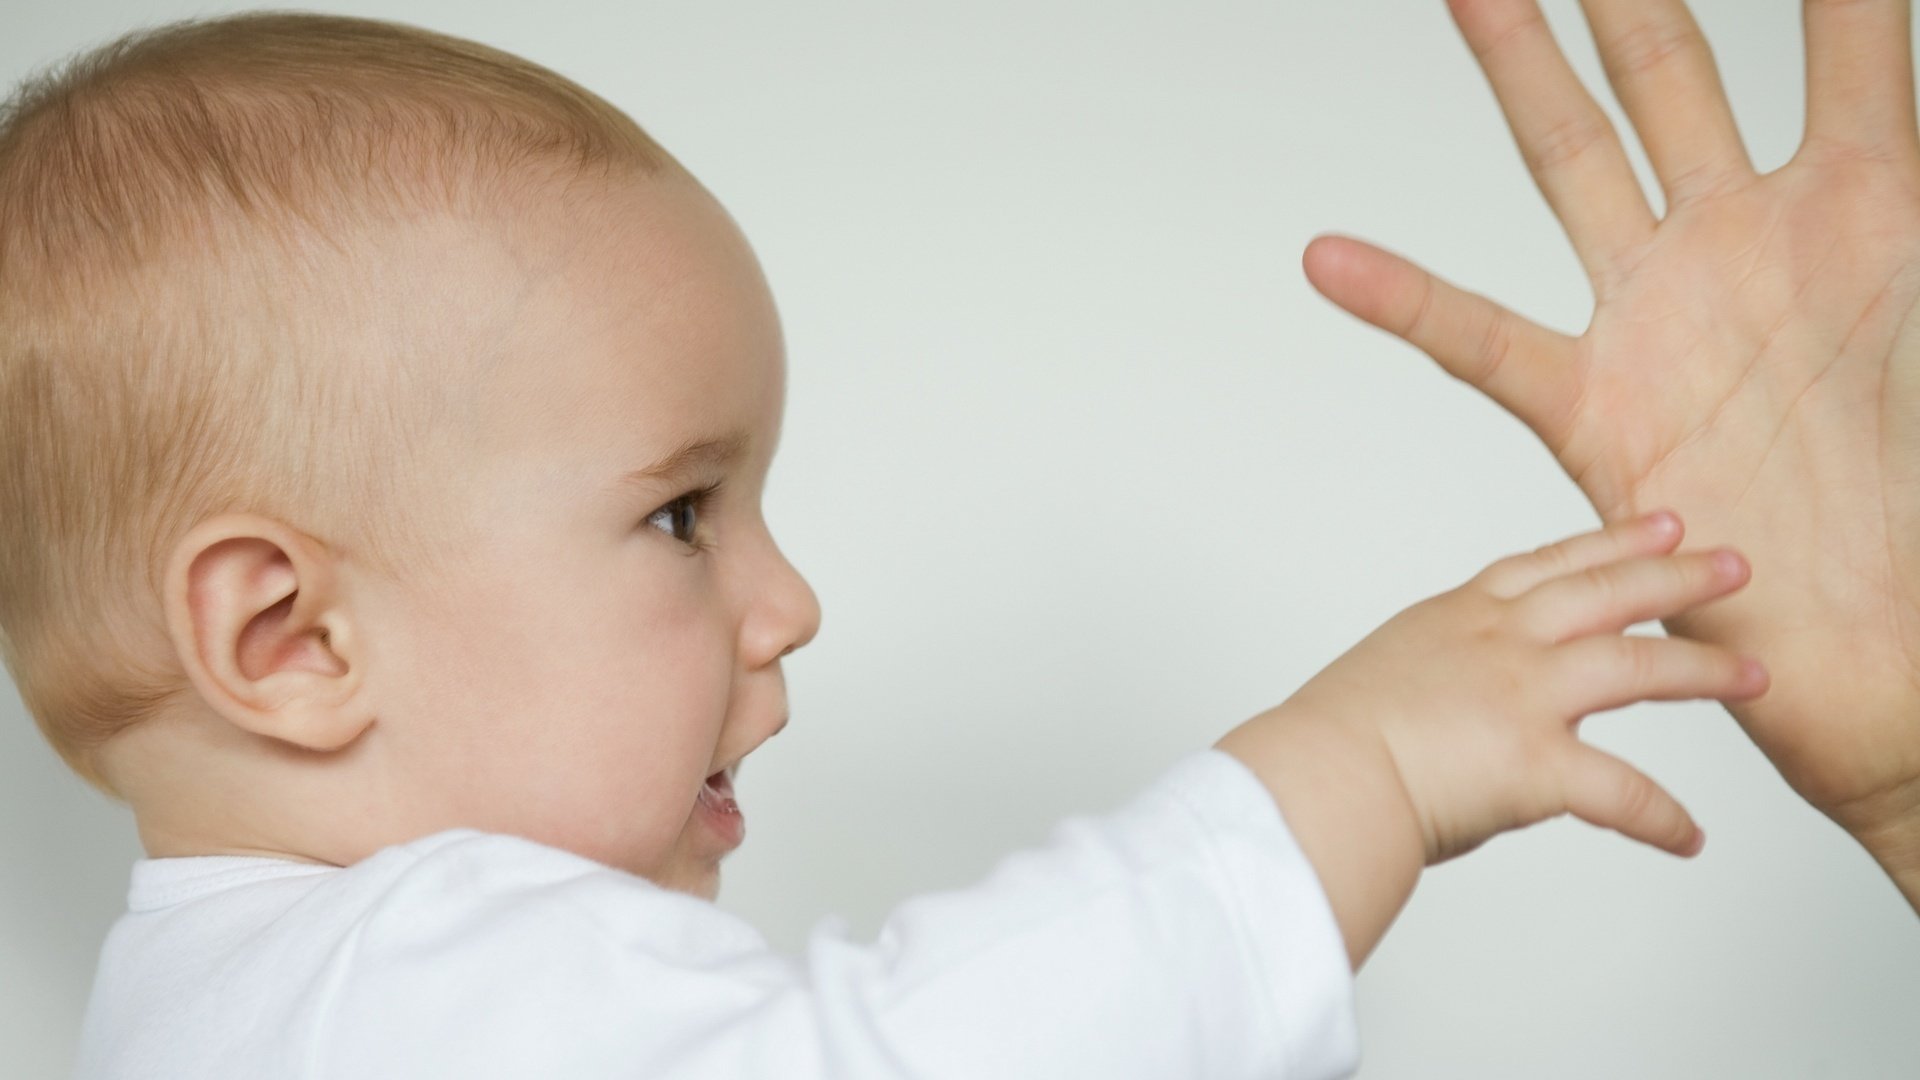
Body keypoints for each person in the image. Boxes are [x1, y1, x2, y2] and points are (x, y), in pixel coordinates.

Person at [0, 8, 1879, 1080]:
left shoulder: (225, 1017)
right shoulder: (409, 977)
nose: (791, 601)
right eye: (679, 512)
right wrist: (1358, 770)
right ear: (292, 640)